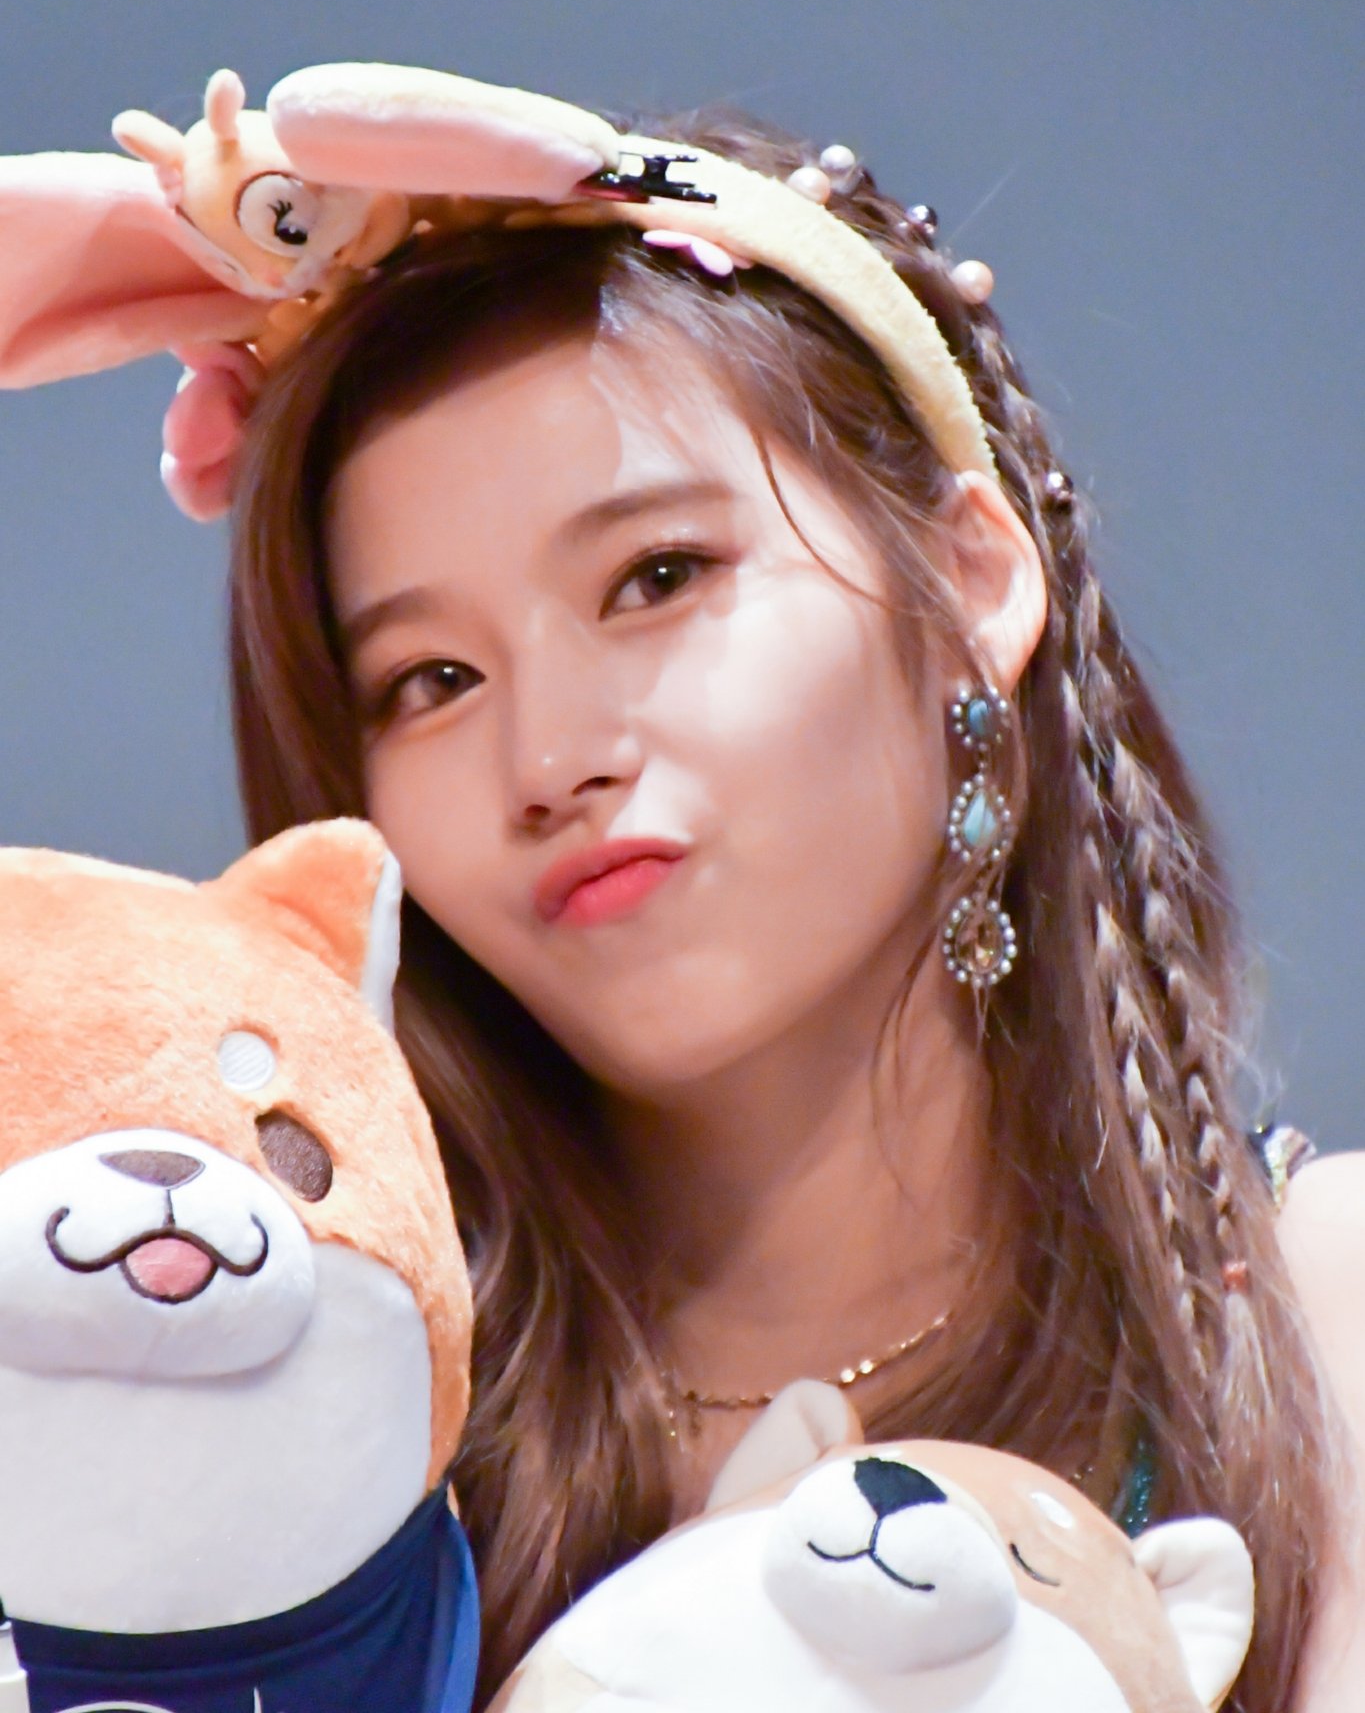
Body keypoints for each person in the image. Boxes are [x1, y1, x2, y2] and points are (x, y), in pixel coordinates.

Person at [184, 95, 1363, 1710]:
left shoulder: (1319, 1319)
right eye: (432, 679)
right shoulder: (328, 1415)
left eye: (656, 578)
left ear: (969, 579)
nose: (551, 760)